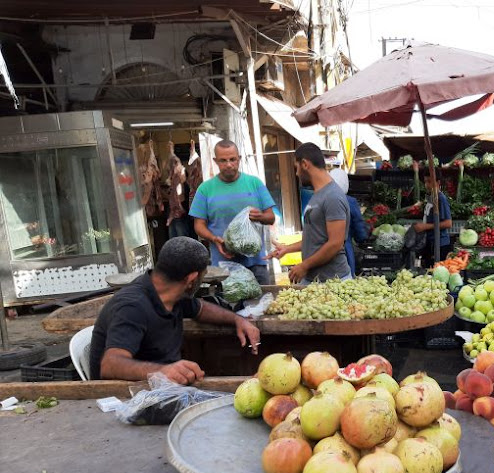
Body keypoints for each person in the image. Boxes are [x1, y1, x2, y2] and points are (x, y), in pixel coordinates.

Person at [89, 237, 261, 384]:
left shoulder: (173, 295)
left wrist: (238, 320)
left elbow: (201, 309)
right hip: (127, 399)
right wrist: (163, 371)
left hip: (164, 391)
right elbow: (110, 365)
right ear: (192, 279)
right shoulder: (132, 307)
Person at [190, 139, 276, 285]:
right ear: (215, 161)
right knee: (228, 307)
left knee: (264, 304)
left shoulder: (255, 183)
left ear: (239, 159)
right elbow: (199, 225)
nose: (229, 164)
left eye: (233, 159)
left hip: (256, 263)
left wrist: (260, 216)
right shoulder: (205, 189)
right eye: (223, 160)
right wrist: (214, 238)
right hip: (224, 267)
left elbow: (271, 217)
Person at [267, 143, 350, 284]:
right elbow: (315, 238)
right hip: (314, 280)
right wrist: (287, 248)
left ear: (304, 164)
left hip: (333, 282)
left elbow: (335, 244)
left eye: (296, 168)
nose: (297, 173)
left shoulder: (332, 196)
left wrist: (304, 266)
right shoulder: (318, 194)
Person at [329, 168, 368, 276]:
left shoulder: (322, 200)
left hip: (325, 249)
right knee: (346, 279)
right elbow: (358, 224)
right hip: (345, 247)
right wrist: (362, 238)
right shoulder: (350, 201)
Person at [413, 165, 452, 268]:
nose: (426, 185)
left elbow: (448, 223)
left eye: (430, 181)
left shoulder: (441, 199)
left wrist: (425, 227)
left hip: (439, 245)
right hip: (430, 243)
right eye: (425, 181)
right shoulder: (431, 197)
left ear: (438, 183)